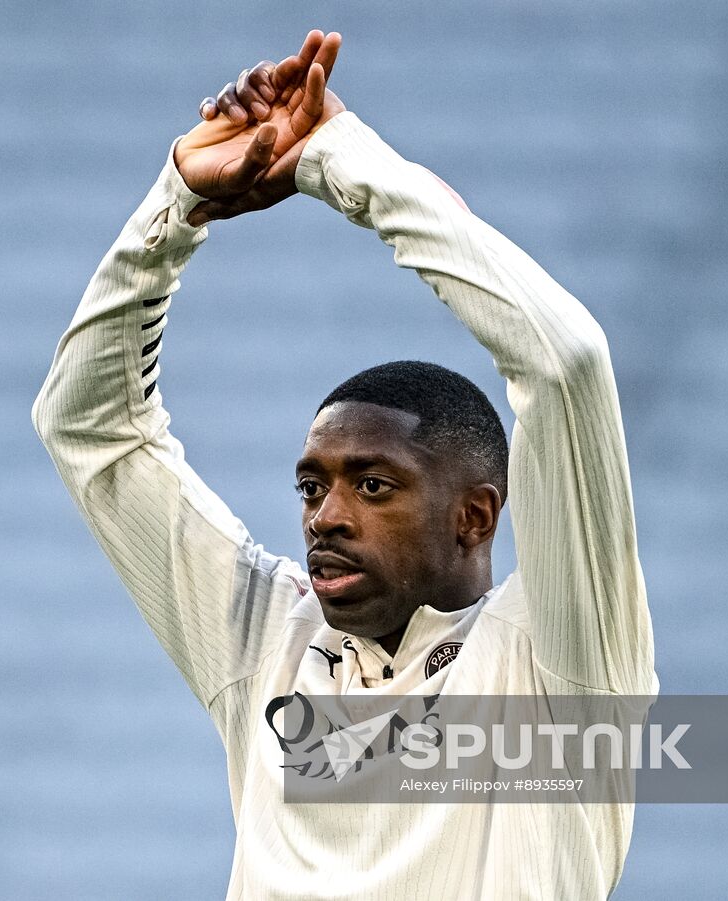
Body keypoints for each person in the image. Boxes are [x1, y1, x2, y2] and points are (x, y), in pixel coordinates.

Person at [33, 29, 656, 900]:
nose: (324, 515)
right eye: (311, 485)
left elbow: (566, 362)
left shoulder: (557, 666)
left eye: (373, 484)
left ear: (475, 515)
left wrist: (340, 162)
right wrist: (176, 205)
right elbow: (89, 425)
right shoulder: (270, 643)